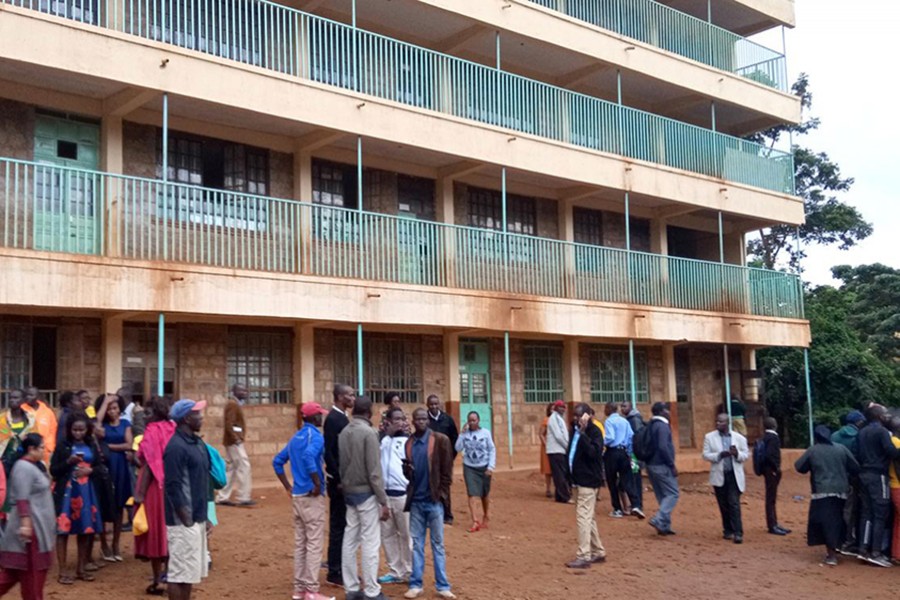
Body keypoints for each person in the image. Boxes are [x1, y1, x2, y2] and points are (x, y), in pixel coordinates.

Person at [273, 401, 334, 600]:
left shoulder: (295, 437)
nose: (321, 417)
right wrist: (317, 483)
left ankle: (300, 589)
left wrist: (288, 487)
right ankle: (311, 590)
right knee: (314, 544)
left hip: (298, 495)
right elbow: (309, 457)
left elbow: (277, 461)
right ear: (312, 417)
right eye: (319, 414)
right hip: (311, 497)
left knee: (301, 544)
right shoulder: (315, 437)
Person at [338, 395, 390, 600]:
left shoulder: (344, 432)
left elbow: (342, 464)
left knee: (349, 540)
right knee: (370, 542)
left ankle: (351, 588)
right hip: (367, 494)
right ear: (369, 412)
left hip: (349, 492)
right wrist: (383, 501)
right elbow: (374, 473)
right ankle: (371, 590)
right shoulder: (369, 433)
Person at [403, 408, 455, 599]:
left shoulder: (440, 441)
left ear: (428, 421)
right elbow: (409, 475)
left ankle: (442, 585)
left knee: (438, 544)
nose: (422, 421)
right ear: (413, 421)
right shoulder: (409, 443)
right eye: (418, 419)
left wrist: (441, 495)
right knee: (416, 543)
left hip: (434, 502)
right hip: (416, 501)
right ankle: (416, 584)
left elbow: (447, 472)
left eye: (424, 418)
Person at [163, 399, 210, 600]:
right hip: (182, 520)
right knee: (179, 573)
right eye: (196, 414)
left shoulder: (197, 443)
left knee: (189, 573)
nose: (201, 417)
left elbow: (202, 479)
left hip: (196, 517)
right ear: (185, 418)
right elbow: (172, 485)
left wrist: (204, 516)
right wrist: (185, 518)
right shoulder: (176, 447)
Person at [50, 413, 104, 584]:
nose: (78, 433)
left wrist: (91, 471)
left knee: (85, 530)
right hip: (67, 492)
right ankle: (63, 570)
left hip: (87, 491)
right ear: (69, 430)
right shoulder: (63, 446)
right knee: (63, 531)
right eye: (75, 430)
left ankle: (81, 568)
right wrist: (68, 462)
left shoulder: (91, 444)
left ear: (87, 430)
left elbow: (101, 466)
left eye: (81, 430)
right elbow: (54, 470)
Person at [795, 425, 860, 566]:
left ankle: (831, 555)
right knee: (838, 520)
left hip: (821, 492)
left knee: (826, 523)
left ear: (816, 437)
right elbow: (855, 467)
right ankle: (838, 547)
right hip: (842, 491)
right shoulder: (841, 449)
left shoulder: (813, 450)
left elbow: (799, 467)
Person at [0, 433, 55, 599]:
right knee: (32, 578)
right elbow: (22, 498)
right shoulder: (24, 467)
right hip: (31, 534)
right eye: (41, 448)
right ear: (31, 449)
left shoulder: (32, 466)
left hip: (34, 530)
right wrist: (25, 524)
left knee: (11, 576)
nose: (44, 450)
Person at [134, 396, 176, 596]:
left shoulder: (151, 432)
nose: (144, 417)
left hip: (153, 488)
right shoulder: (172, 428)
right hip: (172, 487)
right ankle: (169, 576)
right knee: (169, 532)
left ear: (157, 414)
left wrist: (140, 494)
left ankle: (157, 580)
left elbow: (150, 464)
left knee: (154, 532)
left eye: (148, 413)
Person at [855, 404, 900, 567]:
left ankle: (863, 549)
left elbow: (857, 453)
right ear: (879, 417)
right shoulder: (881, 432)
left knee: (867, 513)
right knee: (880, 514)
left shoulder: (862, 432)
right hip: (879, 475)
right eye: (884, 414)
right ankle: (876, 552)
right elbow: (892, 452)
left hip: (864, 475)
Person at [564, 403, 606, 569]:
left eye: (579, 415)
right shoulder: (574, 430)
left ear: (588, 415)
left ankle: (584, 555)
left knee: (583, 517)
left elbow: (594, 453)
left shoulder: (594, 432)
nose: (576, 418)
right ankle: (598, 551)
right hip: (577, 480)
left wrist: (583, 433)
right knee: (589, 517)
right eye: (574, 415)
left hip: (588, 481)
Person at [94, 393, 134, 560]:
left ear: (120, 409)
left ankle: (116, 544)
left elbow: (129, 444)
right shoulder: (101, 426)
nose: (112, 411)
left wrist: (107, 446)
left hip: (121, 468)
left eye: (115, 407)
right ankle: (104, 544)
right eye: (109, 408)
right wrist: (105, 402)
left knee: (119, 506)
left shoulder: (126, 423)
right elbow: (95, 424)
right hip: (106, 468)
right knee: (103, 505)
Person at [324, 384, 355, 587]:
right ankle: (334, 571)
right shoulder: (335, 419)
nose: (353, 398)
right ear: (340, 397)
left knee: (343, 525)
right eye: (350, 395)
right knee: (338, 526)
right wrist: (338, 478)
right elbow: (330, 452)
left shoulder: (342, 417)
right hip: (339, 483)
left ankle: (340, 567)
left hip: (342, 480)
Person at [702, 413, 750, 544]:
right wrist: (719, 455)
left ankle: (738, 532)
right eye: (717, 421)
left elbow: (746, 454)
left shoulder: (739, 438)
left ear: (727, 423)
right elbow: (705, 455)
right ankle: (727, 530)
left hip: (734, 475)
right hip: (719, 474)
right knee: (723, 504)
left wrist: (737, 454)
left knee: (734, 503)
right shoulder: (709, 437)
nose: (718, 424)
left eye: (721, 422)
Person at [378, 407, 412, 586]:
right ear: (389, 421)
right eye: (395, 419)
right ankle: (395, 570)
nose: (399, 422)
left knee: (406, 534)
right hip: (385, 496)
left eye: (402, 419)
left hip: (403, 495)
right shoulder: (383, 441)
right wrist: (385, 434)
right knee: (388, 534)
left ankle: (410, 571)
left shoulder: (408, 442)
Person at [455, 411, 496, 533]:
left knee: (484, 494)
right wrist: (461, 434)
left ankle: (486, 515)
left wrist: (490, 467)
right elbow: (457, 448)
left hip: (484, 467)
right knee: (472, 494)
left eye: (474, 420)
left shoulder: (486, 433)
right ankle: (475, 520)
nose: (472, 422)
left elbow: (492, 449)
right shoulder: (465, 434)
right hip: (469, 467)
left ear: (478, 421)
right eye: (470, 420)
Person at [832, 409, 866, 555]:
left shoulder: (834, 435)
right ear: (858, 422)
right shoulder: (858, 437)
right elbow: (857, 459)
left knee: (837, 509)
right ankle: (848, 541)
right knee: (850, 510)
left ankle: (836, 540)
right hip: (851, 479)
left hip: (834, 477)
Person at [216, 384, 254, 507]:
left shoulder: (235, 404)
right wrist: (236, 439)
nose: (245, 392)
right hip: (234, 442)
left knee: (231, 469)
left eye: (245, 390)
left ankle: (222, 497)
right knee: (244, 466)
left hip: (232, 441)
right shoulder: (233, 404)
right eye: (241, 390)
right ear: (234, 391)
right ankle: (243, 497)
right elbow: (229, 423)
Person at [602, 403, 642, 519]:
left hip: (612, 453)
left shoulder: (609, 421)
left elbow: (610, 438)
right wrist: (628, 453)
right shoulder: (624, 421)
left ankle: (617, 509)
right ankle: (636, 505)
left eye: (605, 408)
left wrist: (602, 442)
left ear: (609, 409)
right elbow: (630, 437)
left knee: (612, 481)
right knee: (628, 480)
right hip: (623, 453)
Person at [645, 402, 679, 536]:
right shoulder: (663, 426)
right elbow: (663, 447)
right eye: (667, 410)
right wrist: (671, 464)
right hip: (661, 465)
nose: (669, 413)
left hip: (651, 464)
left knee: (663, 496)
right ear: (662, 412)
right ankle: (658, 519)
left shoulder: (650, 425)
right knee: (673, 493)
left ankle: (664, 526)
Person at [0, 390, 36, 516]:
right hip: (6, 460)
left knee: (23, 489)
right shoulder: (2, 419)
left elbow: (35, 439)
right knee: (6, 491)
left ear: (23, 401)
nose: (12, 400)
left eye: (16, 398)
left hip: (24, 460)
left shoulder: (30, 419)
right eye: (10, 398)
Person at [426, 395, 458, 525]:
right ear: (427, 405)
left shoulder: (447, 419)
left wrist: (451, 456)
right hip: (429, 459)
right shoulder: (425, 420)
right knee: (429, 485)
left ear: (439, 404)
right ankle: (431, 515)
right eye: (431, 404)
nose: (434, 406)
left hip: (445, 460)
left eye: (436, 404)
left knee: (444, 485)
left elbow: (454, 438)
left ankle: (447, 515)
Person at [760, 417, 790, 536]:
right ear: (775, 425)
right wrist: (776, 468)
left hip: (767, 470)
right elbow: (769, 455)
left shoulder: (765, 437)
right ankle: (772, 525)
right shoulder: (773, 438)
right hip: (771, 470)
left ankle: (774, 523)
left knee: (771, 498)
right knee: (771, 498)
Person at [621, 401, 645, 518]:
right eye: (621, 406)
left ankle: (638, 505)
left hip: (634, 455)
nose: (622, 408)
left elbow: (636, 438)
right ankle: (636, 504)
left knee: (635, 480)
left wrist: (633, 454)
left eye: (624, 406)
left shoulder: (634, 420)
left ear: (630, 407)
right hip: (633, 454)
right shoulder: (631, 419)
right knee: (633, 479)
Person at [22, 387, 57, 464]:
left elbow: (53, 430)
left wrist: (50, 448)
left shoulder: (47, 412)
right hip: (27, 451)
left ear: (37, 397)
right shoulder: (21, 410)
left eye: (31, 395)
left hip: (45, 452)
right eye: (26, 395)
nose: (28, 397)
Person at [545, 400, 571, 504]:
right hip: (556, 450)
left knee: (560, 474)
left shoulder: (559, 418)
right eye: (560, 407)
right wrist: (567, 446)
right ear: (555, 408)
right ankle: (564, 497)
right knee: (560, 474)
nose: (563, 409)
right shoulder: (553, 418)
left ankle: (559, 496)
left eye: (564, 407)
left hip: (560, 450)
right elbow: (558, 436)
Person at [888, 416, 900, 564]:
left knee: (898, 523)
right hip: (898, 485)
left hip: (892, 484)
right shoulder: (897, 443)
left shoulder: (890, 441)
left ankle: (896, 554)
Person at [539, 404, 553, 498]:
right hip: (547, 447)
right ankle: (548, 489)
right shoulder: (546, 420)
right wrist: (546, 444)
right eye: (552, 409)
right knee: (548, 470)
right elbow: (541, 434)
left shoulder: (559, 420)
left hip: (556, 447)